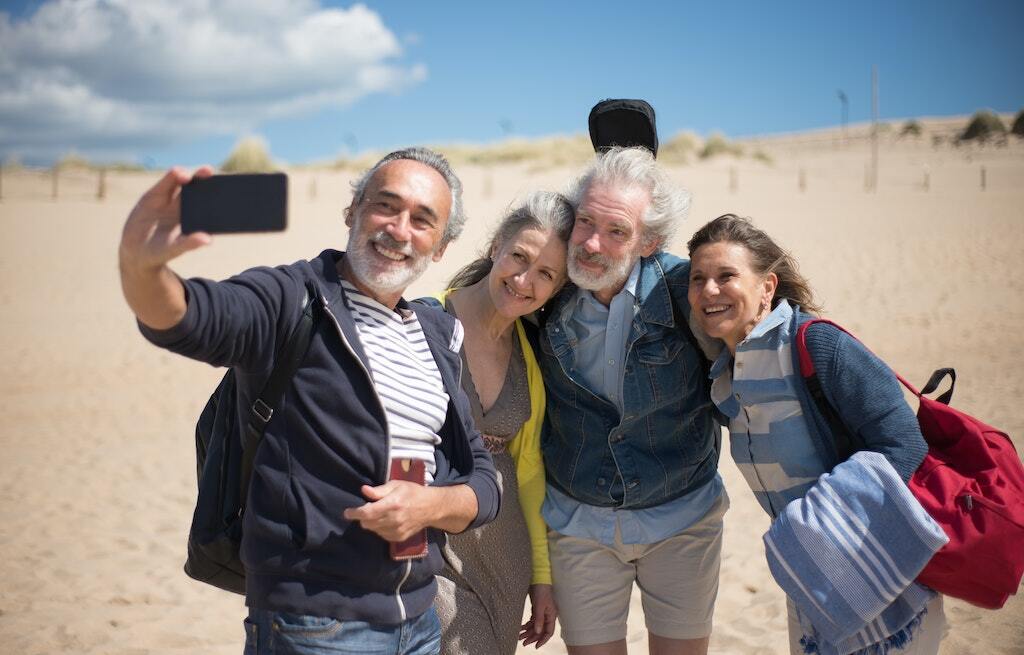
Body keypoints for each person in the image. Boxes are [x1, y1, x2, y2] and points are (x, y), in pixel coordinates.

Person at [117, 147, 500, 655]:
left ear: (441, 248)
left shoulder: (435, 334)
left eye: (423, 220)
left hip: (421, 622)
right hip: (317, 624)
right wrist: (141, 267)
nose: (399, 229)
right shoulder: (290, 299)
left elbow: (482, 477)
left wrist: (433, 505)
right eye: (385, 206)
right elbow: (192, 317)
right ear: (353, 211)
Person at [686, 213, 943, 654]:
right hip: (813, 587)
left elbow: (904, 443)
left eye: (726, 276)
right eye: (697, 279)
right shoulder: (725, 377)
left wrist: (825, 530)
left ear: (767, 287)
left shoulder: (816, 345)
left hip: (881, 574)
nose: (709, 290)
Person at [535, 146, 727, 655]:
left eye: (616, 230)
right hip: (579, 523)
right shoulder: (542, 288)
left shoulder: (689, 290)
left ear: (650, 241)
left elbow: (760, 342)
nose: (591, 243)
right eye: (584, 221)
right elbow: (479, 299)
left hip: (683, 517)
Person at [425, 190, 574, 654]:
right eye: (519, 257)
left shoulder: (532, 353)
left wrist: (542, 580)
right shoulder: (425, 321)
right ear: (495, 247)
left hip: (508, 561)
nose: (525, 280)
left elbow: (529, 471)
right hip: (435, 548)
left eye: (545, 274)